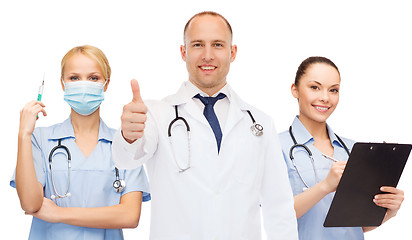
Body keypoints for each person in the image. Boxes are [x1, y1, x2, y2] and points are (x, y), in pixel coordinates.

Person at [112, 11, 298, 239]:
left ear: (233, 52)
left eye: (218, 45)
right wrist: (129, 135)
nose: (207, 55)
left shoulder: (259, 123)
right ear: (184, 52)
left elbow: (278, 207)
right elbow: (126, 158)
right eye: (198, 44)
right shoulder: (156, 114)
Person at [11, 45, 150, 240]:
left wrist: (58, 214)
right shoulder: (39, 139)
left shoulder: (125, 143)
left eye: (93, 78)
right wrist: (23, 134)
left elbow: (130, 216)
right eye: (74, 78)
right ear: (63, 84)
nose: (83, 85)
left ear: (106, 83)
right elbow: (30, 204)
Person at [278, 56, 404, 239]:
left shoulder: (353, 150)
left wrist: (388, 211)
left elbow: (355, 226)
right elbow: (275, 215)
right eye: (314, 87)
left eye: (333, 90)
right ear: (295, 90)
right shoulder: (275, 147)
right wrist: (325, 186)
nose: (325, 98)